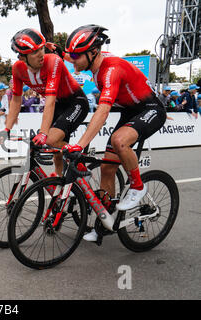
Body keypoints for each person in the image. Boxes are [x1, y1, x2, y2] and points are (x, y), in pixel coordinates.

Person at [63, 25, 167, 241]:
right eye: (70, 55)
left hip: (150, 109)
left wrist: (80, 144)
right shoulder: (95, 64)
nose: (71, 59)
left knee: (119, 140)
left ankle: (138, 186)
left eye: (75, 55)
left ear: (93, 53)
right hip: (130, 111)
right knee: (107, 169)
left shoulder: (110, 70)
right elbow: (68, 54)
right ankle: (104, 224)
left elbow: (102, 112)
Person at [0, 28, 89, 177]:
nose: (41, 54)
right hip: (58, 103)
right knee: (56, 153)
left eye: (41, 48)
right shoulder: (18, 69)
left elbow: (50, 100)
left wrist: (43, 133)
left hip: (76, 102)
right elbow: (16, 101)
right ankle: (60, 185)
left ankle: (79, 160)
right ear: (22, 57)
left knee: (50, 140)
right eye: (34, 52)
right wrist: (6, 129)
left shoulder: (53, 61)